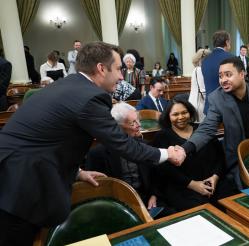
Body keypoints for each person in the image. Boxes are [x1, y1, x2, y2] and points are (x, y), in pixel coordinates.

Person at [0, 42, 186, 245]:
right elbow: (124, 145)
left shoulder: (69, 85)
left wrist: (77, 173)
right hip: (19, 187)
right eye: (117, 69)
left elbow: (49, 142)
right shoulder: (91, 97)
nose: (122, 76)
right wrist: (168, 154)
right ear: (101, 68)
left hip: (13, 176)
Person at [181, 57, 249, 189]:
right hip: (238, 159)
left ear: (242, 74)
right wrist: (185, 148)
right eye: (220, 76)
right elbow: (207, 128)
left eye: (228, 75)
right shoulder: (217, 98)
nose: (223, 80)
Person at [86, 102, 171, 216]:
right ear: (118, 127)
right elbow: (97, 190)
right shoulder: (97, 154)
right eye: (133, 123)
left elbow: (156, 175)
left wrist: (154, 195)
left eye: (138, 120)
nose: (139, 125)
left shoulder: (145, 145)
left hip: (147, 199)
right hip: (117, 204)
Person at [153, 99, 235, 211]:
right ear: (168, 116)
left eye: (184, 112)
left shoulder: (203, 130)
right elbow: (165, 169)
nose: (181, 117)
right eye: (175, 114)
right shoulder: (161, 136)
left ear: (190, 112)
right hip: (183, 187)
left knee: (231, 203)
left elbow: (220, 157)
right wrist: (193, 185)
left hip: (213, 182)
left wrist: (215, 177)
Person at [201, 30, 233, 114]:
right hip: (228, 107)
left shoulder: (204, 61)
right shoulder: (232, 59)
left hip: (210, 106)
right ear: (227, 42)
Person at [189, 48, 211, 122]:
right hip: (200, 103)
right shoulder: (199, 70)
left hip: (193, 100)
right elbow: (203, 90)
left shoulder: (195, 69)